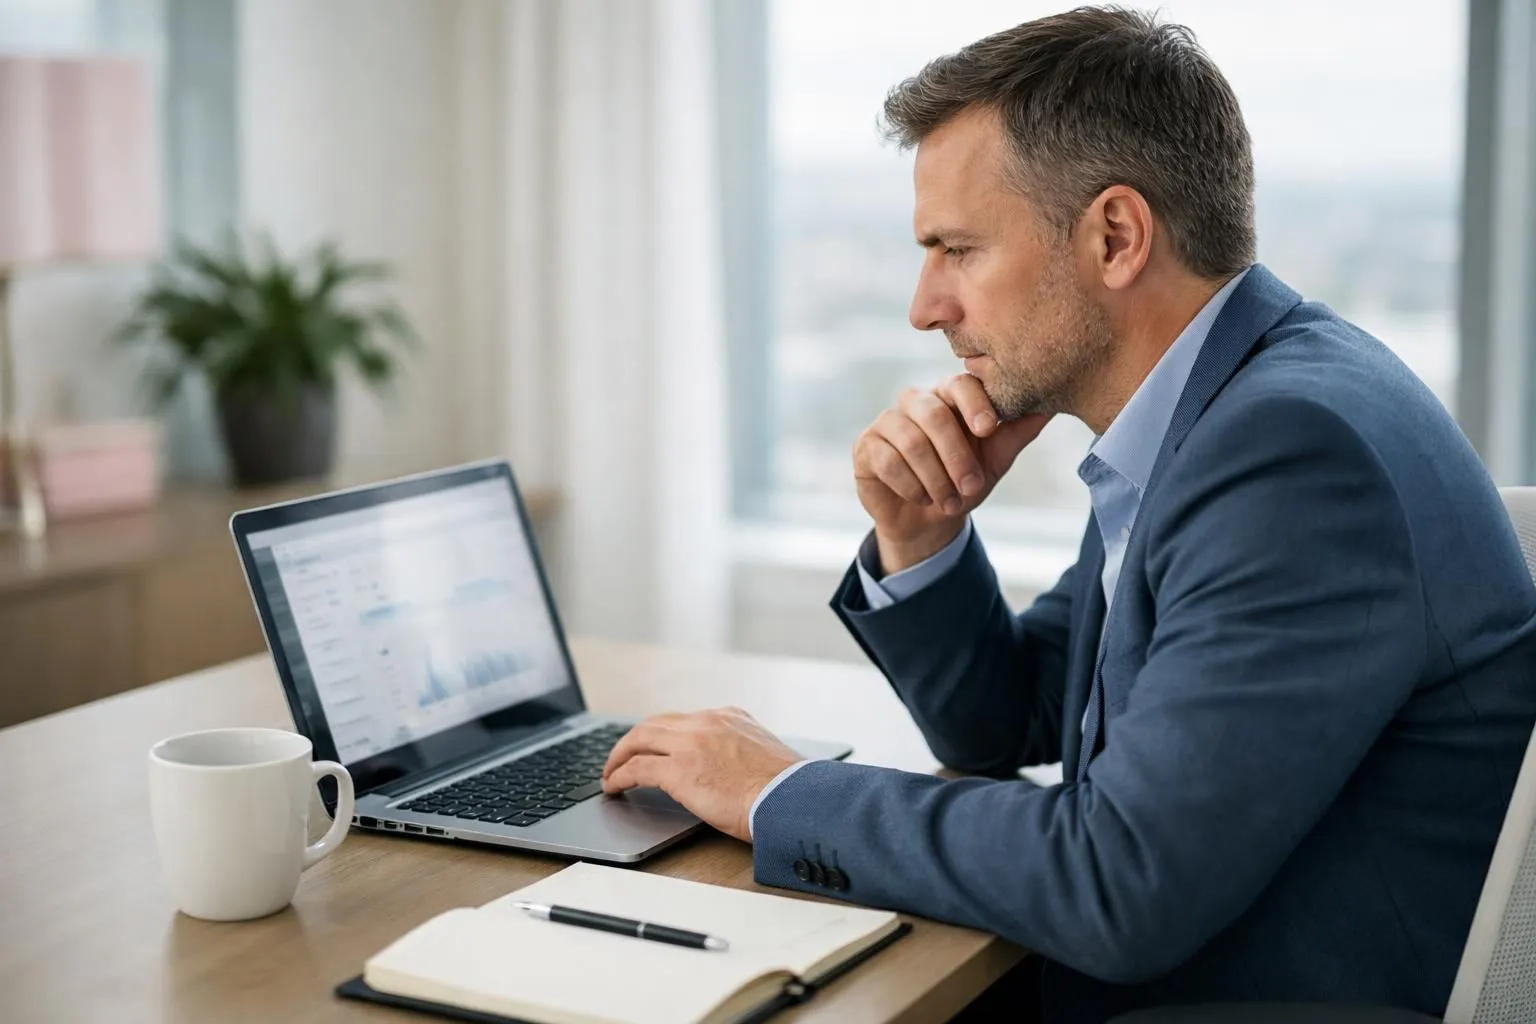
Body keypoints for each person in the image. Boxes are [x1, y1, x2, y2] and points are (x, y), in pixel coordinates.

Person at [599, 7, 1536, 1022]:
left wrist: (778, 791)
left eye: (957, 248)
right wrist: (925, 533)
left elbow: (1118, 883)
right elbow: (1013, 717)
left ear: (1117, 236)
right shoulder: (1212, 407)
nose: (924, 305)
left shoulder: (1289, 455)